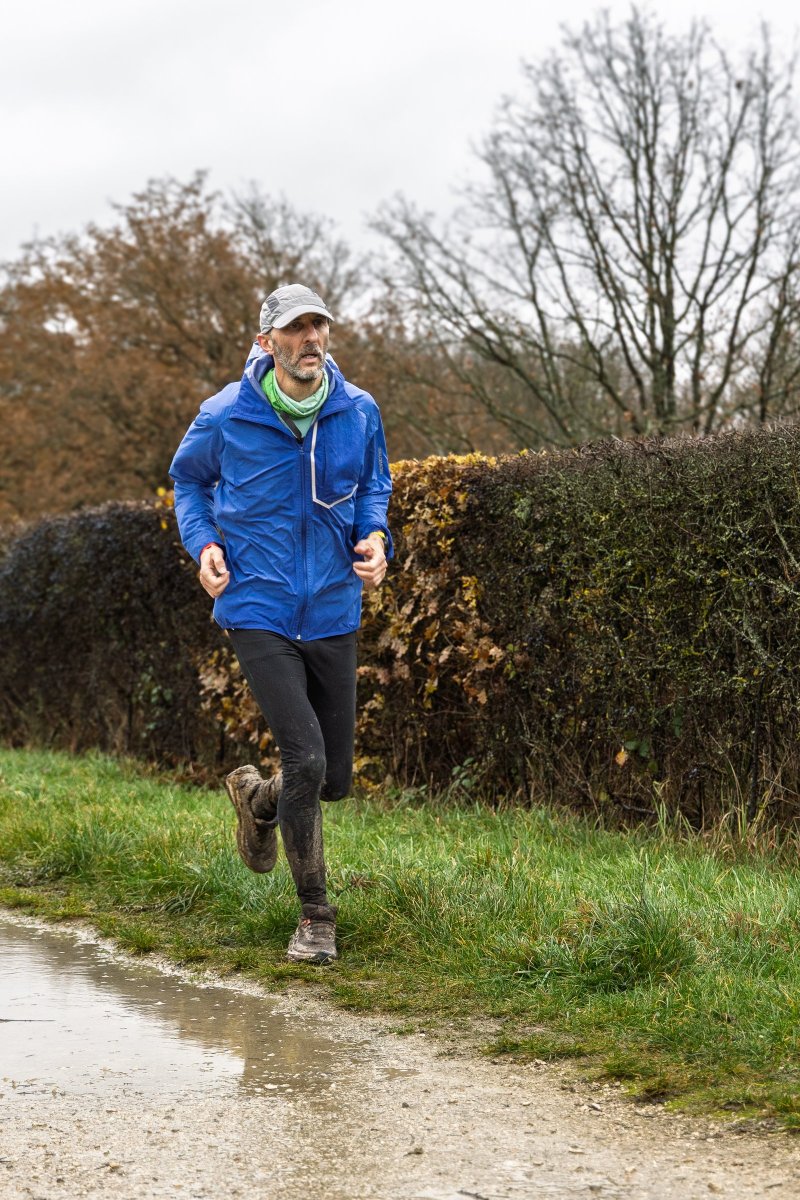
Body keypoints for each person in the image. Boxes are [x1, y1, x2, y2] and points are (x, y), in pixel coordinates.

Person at [169, 283, 392, 965]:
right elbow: (188, 482)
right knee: (306, 758)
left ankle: (257, 799)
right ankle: (316, 917)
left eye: (318, 326)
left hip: (331, 606)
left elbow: (375, 485)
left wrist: (375, 536)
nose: (310, 339)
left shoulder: (357, 410)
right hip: (256, 605)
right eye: (295, 329)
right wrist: (204, 543)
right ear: (267, 342)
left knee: (333, 779)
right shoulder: (226, 414)